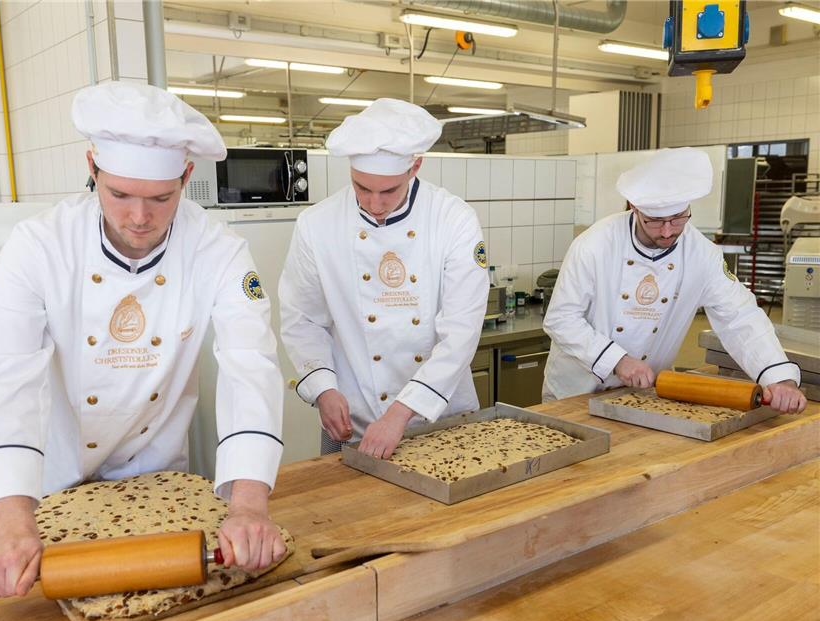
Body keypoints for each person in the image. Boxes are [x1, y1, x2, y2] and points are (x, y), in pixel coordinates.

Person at [0, 82, 287, 599]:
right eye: (119, 195)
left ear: (186, 177)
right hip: (54, 478)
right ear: (93, 168)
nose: (140, 218)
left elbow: (250, 365)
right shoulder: (39, 247)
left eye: (161, 199)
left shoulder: (218, 250)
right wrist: (11, 526)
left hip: (156, 473)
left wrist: (249, 504)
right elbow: (5, 379)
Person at [279, 98, 490, 459]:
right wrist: (323, 388)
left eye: (388, 191)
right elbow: (302, 320)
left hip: (439, 417)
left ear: (415, 167)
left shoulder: (453, 219)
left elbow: (461, 331)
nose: (374, 204)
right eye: (361, 188)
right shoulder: (317, 224)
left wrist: (401, 411)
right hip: (355, 417)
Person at [542, 147, 806, 414]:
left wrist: (779, 378)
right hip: (574, 393)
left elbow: (739, 316)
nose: (668, 231)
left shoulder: (701, 254)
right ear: (634, 208)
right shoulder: (594, 245)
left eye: (678, 218)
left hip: (641, 396)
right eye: (655, 221)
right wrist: (617, 360)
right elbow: (561, 319)